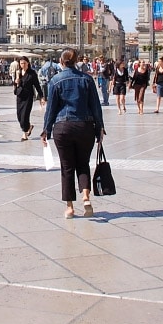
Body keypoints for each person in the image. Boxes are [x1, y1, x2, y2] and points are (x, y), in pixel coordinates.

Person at [41, 47, 104, 219]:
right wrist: (100, 128)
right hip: (85, 126)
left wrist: (46, 129)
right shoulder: (87, 79)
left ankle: (69, 207)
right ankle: (85, 197)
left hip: (63, 128)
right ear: (76, 61)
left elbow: (51, 109)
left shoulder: (55, 80)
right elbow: (95, 106)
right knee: (83, 163)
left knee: (67, 167)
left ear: (61, 62)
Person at [14, 56, 45, 140]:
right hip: (20, 96)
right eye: (21, 63)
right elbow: (16, 85)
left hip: (28, 96)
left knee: (25, 116)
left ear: (28, 63)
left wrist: (42, 97)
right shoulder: (18, 72)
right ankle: (29, 127)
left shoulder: (32, 73)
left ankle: (24, 133)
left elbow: (37, 86)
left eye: (24, 63)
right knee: (19, 116)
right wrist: (16, 81)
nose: (22, 65)